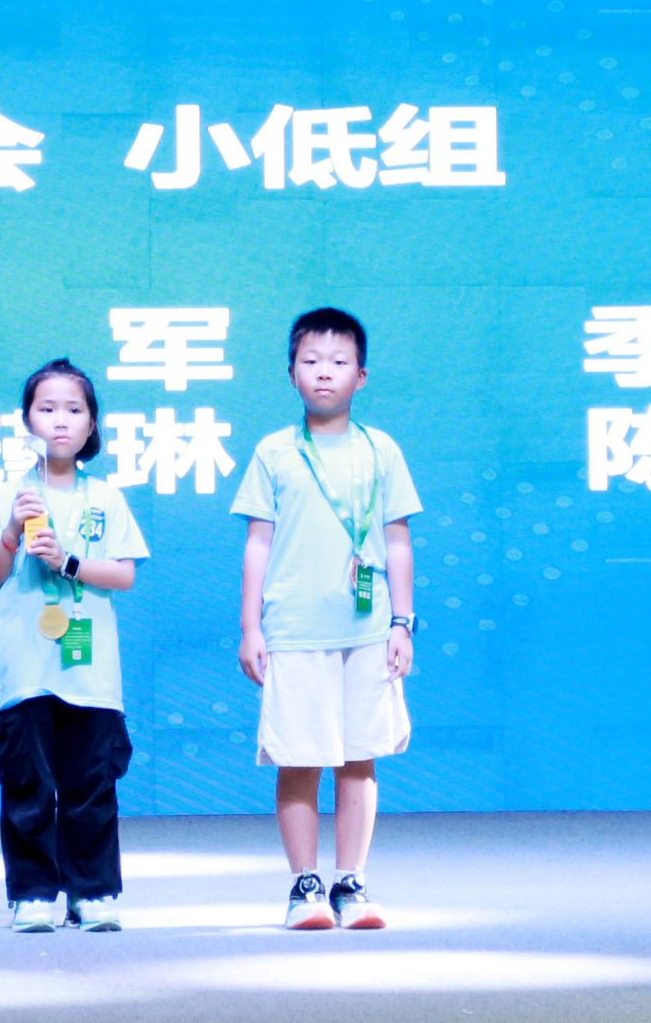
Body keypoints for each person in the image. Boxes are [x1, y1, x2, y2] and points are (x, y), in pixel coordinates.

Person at [232, 307, 423, 931]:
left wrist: (402, 623)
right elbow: (258, 542)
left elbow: (397, 541)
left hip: (368, 631)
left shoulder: (381, 450)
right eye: (310, 361)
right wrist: (252, 628)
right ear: (291, 372)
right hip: (294, 630)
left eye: (339, 362)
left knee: (360, 758)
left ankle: (351, 883)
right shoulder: (274, 451)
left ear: (360, 377)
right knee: (299, 758)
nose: (323, 372)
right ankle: (304, 887)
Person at [0, 359, 149, 933]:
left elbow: (124, 575)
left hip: (89, 668)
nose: (61, 421)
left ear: (92, 424)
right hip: (26, 667)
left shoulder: (106, 497)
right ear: (27, 421)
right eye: (47, 409)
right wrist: (10, 533)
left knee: (91, 783)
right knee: (27, 783)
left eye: (74, 409)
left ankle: (91, 891)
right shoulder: (10, 494)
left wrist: (68, 561)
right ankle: (33, 893)